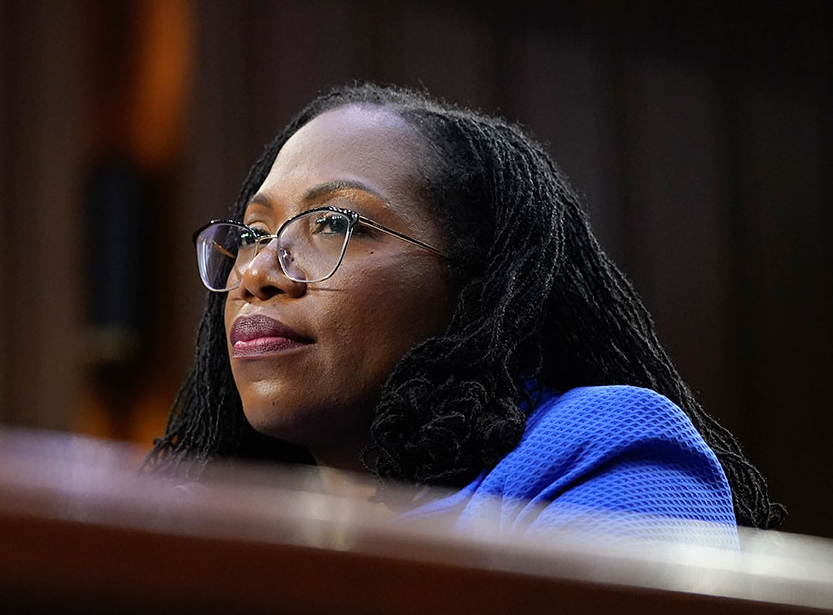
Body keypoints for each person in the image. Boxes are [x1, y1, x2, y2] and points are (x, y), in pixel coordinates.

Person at [146, 83, 784, 537]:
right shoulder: (207, 522)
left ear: (477, 285)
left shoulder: (601, 448)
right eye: (254, 234)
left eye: (338, 223)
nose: (256, 274)